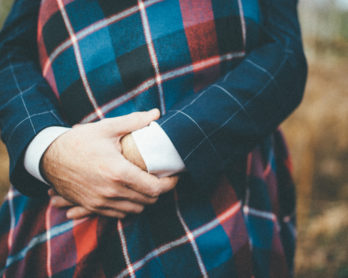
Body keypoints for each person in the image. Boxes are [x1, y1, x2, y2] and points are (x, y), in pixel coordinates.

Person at [0, 0, 307, 277]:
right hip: (68, 202)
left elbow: (285, 54)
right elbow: (10, 53)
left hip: (223, 183)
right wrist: (47, 149)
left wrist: (140, 152)